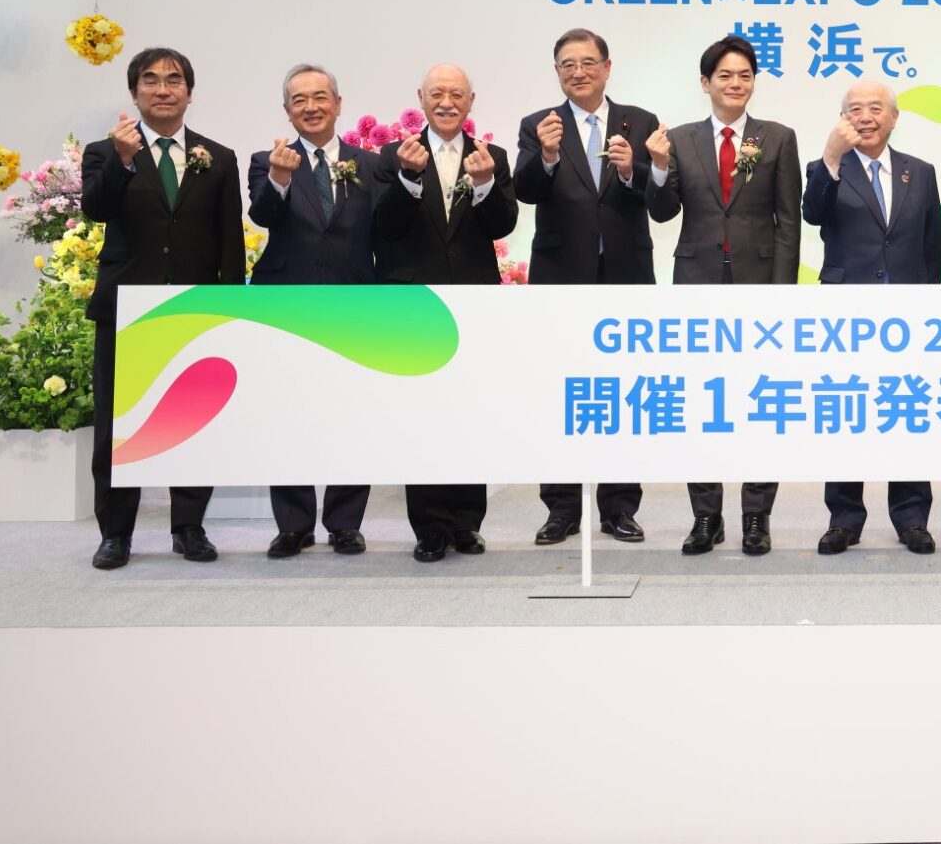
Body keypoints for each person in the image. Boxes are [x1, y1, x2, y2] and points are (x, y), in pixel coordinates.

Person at [80, 47, 244, 570]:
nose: (163, 89)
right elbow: (95, 210)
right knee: (116, 426)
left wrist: (229, 305)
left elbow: (230, 238)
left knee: (193, 420)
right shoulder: (105, 152)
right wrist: (123, 160)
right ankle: (116, 534)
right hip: (127, 308)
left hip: (195, 309)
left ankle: (189, 528)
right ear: (135, 93)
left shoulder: (218, 157)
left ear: (189, 93)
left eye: (174, 80)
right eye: (150, 80)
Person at [646, 35, 800, 556]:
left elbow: (787, 220)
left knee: (762, 400)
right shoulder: (679, 139)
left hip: (761, 285)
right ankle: (705, 516)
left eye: (745, 76)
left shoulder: (778, 137)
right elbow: (663, 212)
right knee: (700, 400)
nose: (736, 84)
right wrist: (658, 167)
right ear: (705, 82)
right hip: (697, 283)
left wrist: (783, 291)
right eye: (726, 76)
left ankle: (757, 515)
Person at [511, 28, 658, 548]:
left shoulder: (640, 121)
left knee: (622, 391)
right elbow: (525, 190)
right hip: (561, 274)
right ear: (557, 72)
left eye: (588, 62)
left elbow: (660, 196)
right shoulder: (539, 124)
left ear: (607, 67)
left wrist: (632, 170)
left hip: (625, 272)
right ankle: (561, 508)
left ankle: (620, 508)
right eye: (567, 64)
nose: (578, 72)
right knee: (561, 391)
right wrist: (548, 157)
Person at [371, 63, 518, 562]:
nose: (447, 102)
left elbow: (502, 224)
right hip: (415, 305)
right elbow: (385, 226)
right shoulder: (394, 155)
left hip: (473, 303)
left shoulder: (492, 156)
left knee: (470, 411)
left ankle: (467, 523)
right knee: (422, 414)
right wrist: (408, 178)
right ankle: (430, 526)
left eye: (457, 94)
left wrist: (485, 184)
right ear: (421, 98)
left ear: (471, 101)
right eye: (437, 93)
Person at [801, 78, 941, 556]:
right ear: (844, 118)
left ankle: (912, 517)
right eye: (855, 109)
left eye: (876, 108)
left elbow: (932, 245)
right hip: (846, 314)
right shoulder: (826, 167)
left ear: (894, 117)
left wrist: (927, 305)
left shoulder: (920, 172)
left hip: (908, 313)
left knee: (907, 408)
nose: (866, 117)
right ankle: (844, 518)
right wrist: (831, 156)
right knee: (847, 411)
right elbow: (812, 213)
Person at [247, 64, 378, 559]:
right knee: (287, 413)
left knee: (354, 413)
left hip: (354, 300)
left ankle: (345, 523)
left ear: (338, 104)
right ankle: (293, 525)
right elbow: (263, 213)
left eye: (320, 97)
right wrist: (279, 179)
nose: (311, 107)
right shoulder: (267, 161)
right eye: (299, 100)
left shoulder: (370, 165)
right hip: (287, 300)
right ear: (287, 111)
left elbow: (387, 229)